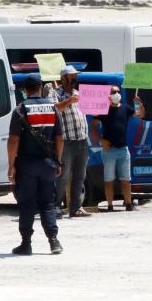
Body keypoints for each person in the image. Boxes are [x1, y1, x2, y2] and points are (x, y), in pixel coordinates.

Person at [7, 75, 64, 255]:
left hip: (26, 165)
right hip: (48, 164)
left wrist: (11, 165)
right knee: (47, 203)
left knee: (27, 204)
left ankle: (26, 243)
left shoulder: (20, 109)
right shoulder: (53, 108)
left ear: (24, 90)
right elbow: (59, 138)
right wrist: (58, 160)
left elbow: (13, 140)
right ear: (40, 87)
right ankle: (53, 242)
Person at [90, 85, 145, 212]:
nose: (116, 93)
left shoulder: (125, 108)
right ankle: (110, 206)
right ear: (108, 94)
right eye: (113, 92)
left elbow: (139, 114)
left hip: (123, 150)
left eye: (117, 92)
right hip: (109, 150)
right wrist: (101, 140)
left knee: (126, 180)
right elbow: (93, 126)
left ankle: (128, 204)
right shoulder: (103, 109)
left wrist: (139, 104)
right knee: (109, 180)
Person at [53, 65, 90, 218]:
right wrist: (68, 101)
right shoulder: (56, 93)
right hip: (67, 141)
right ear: (63, 78)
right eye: (72, 76)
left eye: (76, 76)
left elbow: (92, 109)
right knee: (63, 175)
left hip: (82, 140)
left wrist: (105, 101)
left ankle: (76, 207)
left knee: (80, 175)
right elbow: (54, 109)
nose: (75, 79)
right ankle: (55, 207)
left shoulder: (78, 93)